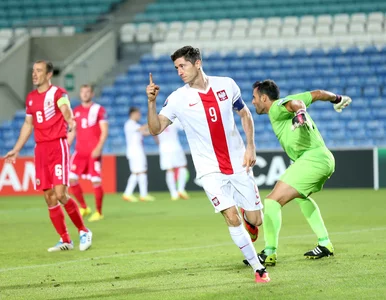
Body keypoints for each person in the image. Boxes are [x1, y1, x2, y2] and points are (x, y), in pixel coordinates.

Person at [146, 46, 270, 283]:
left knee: (255, 220)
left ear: (198, 63)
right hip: (208, 169)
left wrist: (251, 146)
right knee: (231, 217)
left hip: (237, 162)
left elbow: (245, 114)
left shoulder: (227, 84)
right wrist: (151, 103)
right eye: (176, 68)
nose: (179, 71)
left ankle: (248, 222)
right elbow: (155, 128)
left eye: (182, 66)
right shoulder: (177, 98)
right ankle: (259, 269)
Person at [250, 79, 352, 266]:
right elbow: (319, 92)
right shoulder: (293, 99)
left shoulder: (276, 108)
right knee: (300, 197)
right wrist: (337, 98)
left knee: (272, 201)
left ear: (264, 98)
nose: (253, 102)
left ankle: (269, 252)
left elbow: (295, 105)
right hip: (324, 158)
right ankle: (325, 244)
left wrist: (300, 113)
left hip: (312, 159)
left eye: (255, 97)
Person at [4, 60, 92, 252]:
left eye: (39, 71)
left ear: (49, 74)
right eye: (33, 71)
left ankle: (84, 231)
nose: (34, 74)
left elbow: (65, 110)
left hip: (57, 146)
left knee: (60, 194)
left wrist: (70, 120)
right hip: (40, 149)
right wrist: (17, 149)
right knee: (49, 197)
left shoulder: (58, 93)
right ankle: (65, 239)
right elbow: (28, 125)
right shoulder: (30, 98)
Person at [67, 84, 108, 222]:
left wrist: (99, 148)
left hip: (93, 152)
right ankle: (84, 207)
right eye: (82, 92)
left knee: (96, 181)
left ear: (92, 94)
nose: (84, 94)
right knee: (71, 178)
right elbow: (72, 131)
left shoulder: (98, 110)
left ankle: (99, 211)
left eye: (87, 92)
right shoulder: (76, 111)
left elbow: (104, 131)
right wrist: (66, 146)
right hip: (79, 152)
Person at [123, 107, 155, 202]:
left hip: (138, 151)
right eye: (138, 113)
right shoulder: (129, 124)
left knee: (140, 171)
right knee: (138, 172)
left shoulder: (135, 125)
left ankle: (142, 194)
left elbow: (144, 133)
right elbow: (142, 128)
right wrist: (153, 122)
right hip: (135, 152)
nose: (139, 115)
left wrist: (155, 129)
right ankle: (129, 194)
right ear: (133, 114)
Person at [158, 119, 189, 200]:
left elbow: (153, 133)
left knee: (169, 170)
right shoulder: (173, 118)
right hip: (175, 146)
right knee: (182, 166)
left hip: (164, 148)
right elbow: (184, 127)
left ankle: (173, 193)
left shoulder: (157, 119)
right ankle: (181, 190)